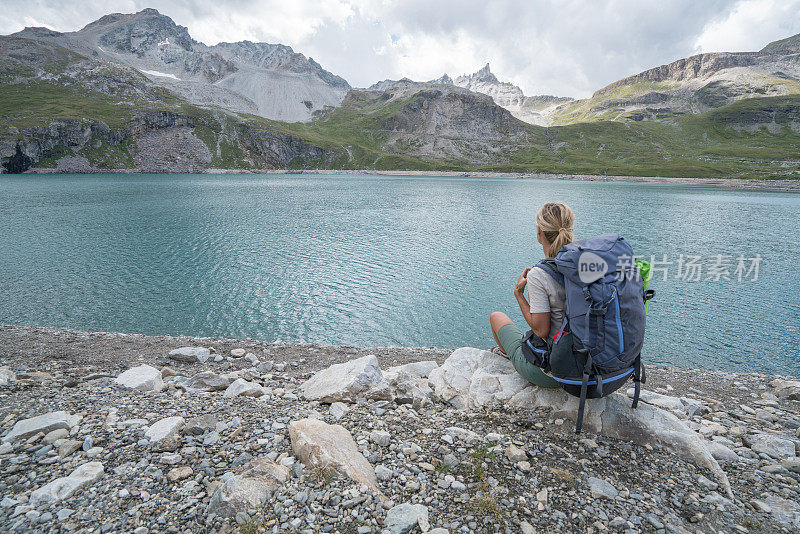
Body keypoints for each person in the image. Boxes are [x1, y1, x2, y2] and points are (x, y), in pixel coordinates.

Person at [489, 201, 575, 388]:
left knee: (497, 317)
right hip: (592, 368)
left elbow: (541, 330)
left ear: (539, 233)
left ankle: (506, 355)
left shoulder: (539, 274)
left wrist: (519, 294)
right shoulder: (587, 264)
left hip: (555, 374)